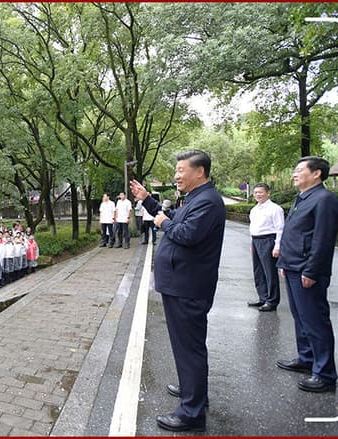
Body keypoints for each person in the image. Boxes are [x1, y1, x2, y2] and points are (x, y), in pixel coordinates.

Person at [130, 149, 225, 432]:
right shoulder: (196, 199)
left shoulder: (207, 201)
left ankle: (191, 412)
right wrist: (148, 200)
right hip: (182, 282)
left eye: (181, 170)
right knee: (187, 346)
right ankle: (192, 390)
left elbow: (185, 233)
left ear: (200, 171)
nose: (176, 176)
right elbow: (172, 215)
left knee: (189, 347)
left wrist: (164, 223)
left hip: (188, 285)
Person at [276, 156, 338, 393]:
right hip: (293, 266)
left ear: (316, 174)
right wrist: (284, 261)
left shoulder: (325, 199)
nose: (294, 174)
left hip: (307, 270)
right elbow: (294, 233)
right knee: (301, 317)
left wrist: (312, 270)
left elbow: (322, 240)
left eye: (299, 170)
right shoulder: (302, 197)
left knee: (315, 321)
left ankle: (324, 373)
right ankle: (307, 358)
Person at [247, 183, 285, 312]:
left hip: (268, 240)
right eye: (256, 192)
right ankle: (262, 297)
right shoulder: (254, 209)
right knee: (258, 271)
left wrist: (277, 246)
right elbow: (252, 228)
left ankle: (272, 301)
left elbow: (280, 229)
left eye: (260, 192)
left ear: (268, 193)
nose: (258, 194)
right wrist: (251, 244)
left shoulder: (275, 209)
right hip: (256, 240)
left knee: (270, 272)